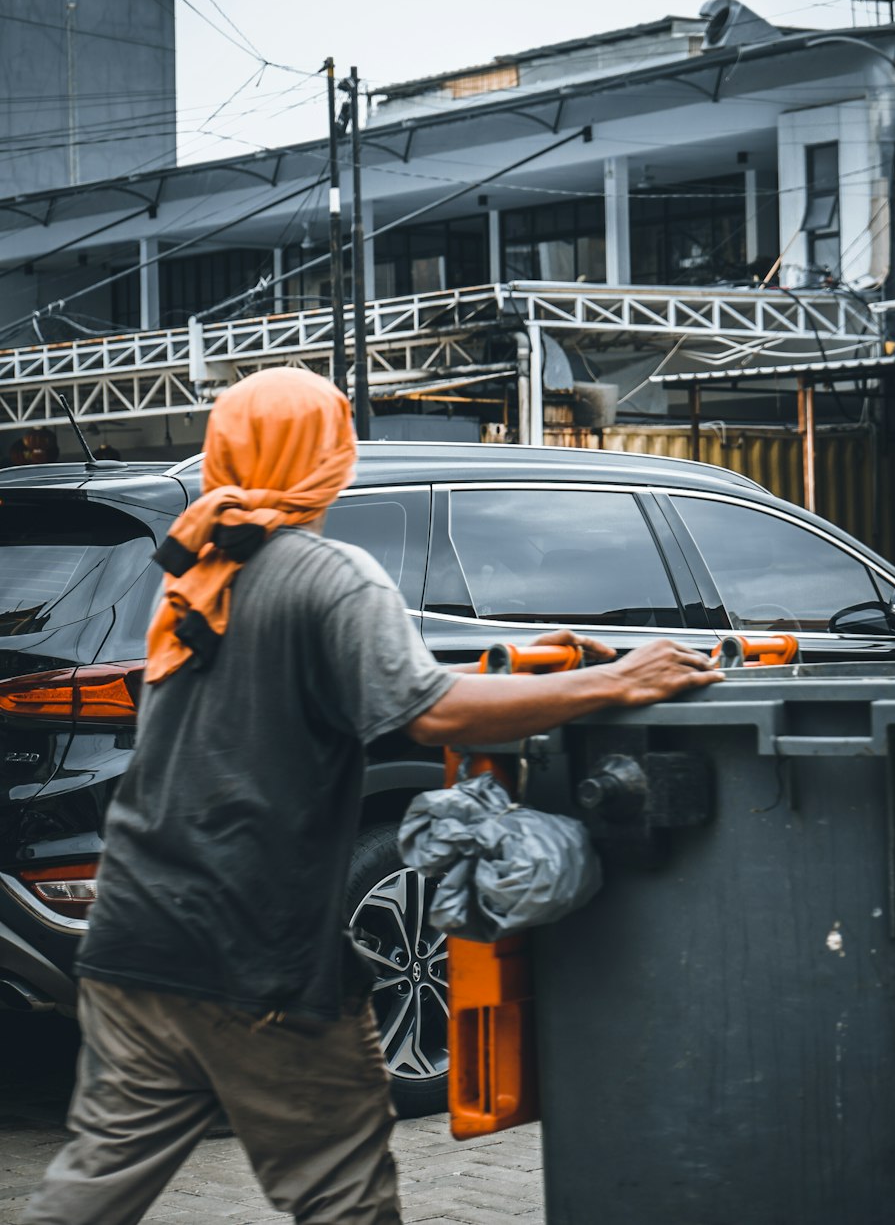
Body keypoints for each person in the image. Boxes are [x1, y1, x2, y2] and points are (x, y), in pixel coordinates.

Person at [21, 366, 724, 1225]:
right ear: (332, 455)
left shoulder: (203, 575)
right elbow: (432, 714)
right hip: (257, 956)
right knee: (346, 1199)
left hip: (137, 945)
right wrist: (616, 680)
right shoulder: (323, 572)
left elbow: (354, 682)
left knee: (94, 1191)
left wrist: (521, 660)